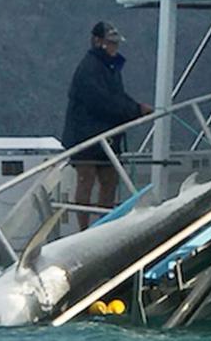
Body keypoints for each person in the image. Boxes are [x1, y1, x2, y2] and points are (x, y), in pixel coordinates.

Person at [62, 21, 152, 231]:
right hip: (84, 136)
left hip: (107, 135)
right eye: (111, 43)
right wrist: (135, 110)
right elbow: (102, 101)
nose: (114, 48)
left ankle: (105, 226)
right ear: (98, 42)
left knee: (110, 180)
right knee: (87, 179)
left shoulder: (110, 68)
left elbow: (117, 97)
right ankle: (83, 230)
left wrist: (135, 107)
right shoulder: (89, 69)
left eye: (116, 44)